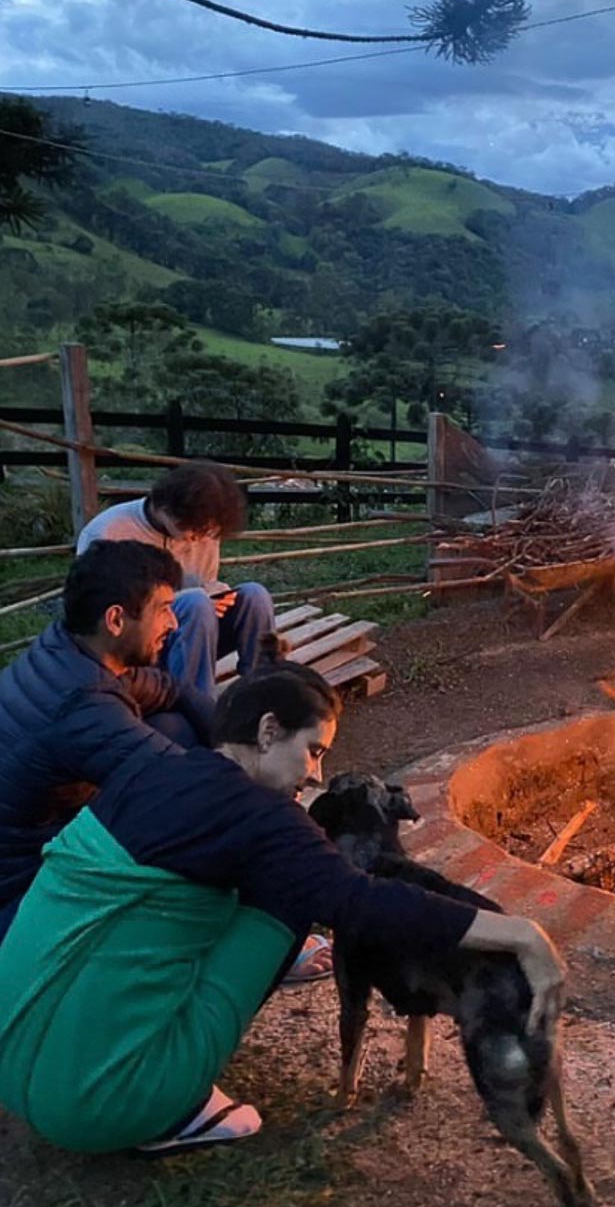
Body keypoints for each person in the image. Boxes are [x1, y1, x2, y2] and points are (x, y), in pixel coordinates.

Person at [0, 659, 565, 1158]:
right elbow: (364, 902)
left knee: (180, 905)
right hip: (105, 1108)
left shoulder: (155, 766)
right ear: (269, 731)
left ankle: (122, 1050)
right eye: (313, 750)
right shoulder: (265, 818)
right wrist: (521, 934)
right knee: (293, 893)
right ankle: (177, 1113)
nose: (316, 772)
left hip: (9, 1044)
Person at [0, 540, 214, 934]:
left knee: (176, 727)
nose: (174, 624)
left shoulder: (69, 648)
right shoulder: (81, 705)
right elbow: (187, 792)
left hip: (42, 835)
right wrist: (263, 780)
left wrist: (225, 734)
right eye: (163, 609)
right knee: (195, 839)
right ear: (116, 620)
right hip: (22, 893)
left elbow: (169, 688)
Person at [76, 461, 275, 699]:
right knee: (196, 603)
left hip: (193, 638)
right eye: (195, 529)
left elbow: (205, 582)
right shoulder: (108, 532)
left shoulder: (203, 530)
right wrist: (185, 602)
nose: (198, 539)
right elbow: (102, 615)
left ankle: (264, 686)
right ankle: (195, 702)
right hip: (139, 649)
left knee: (255, 595)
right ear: (166, 507)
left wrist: (216, 595)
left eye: (207, 532)